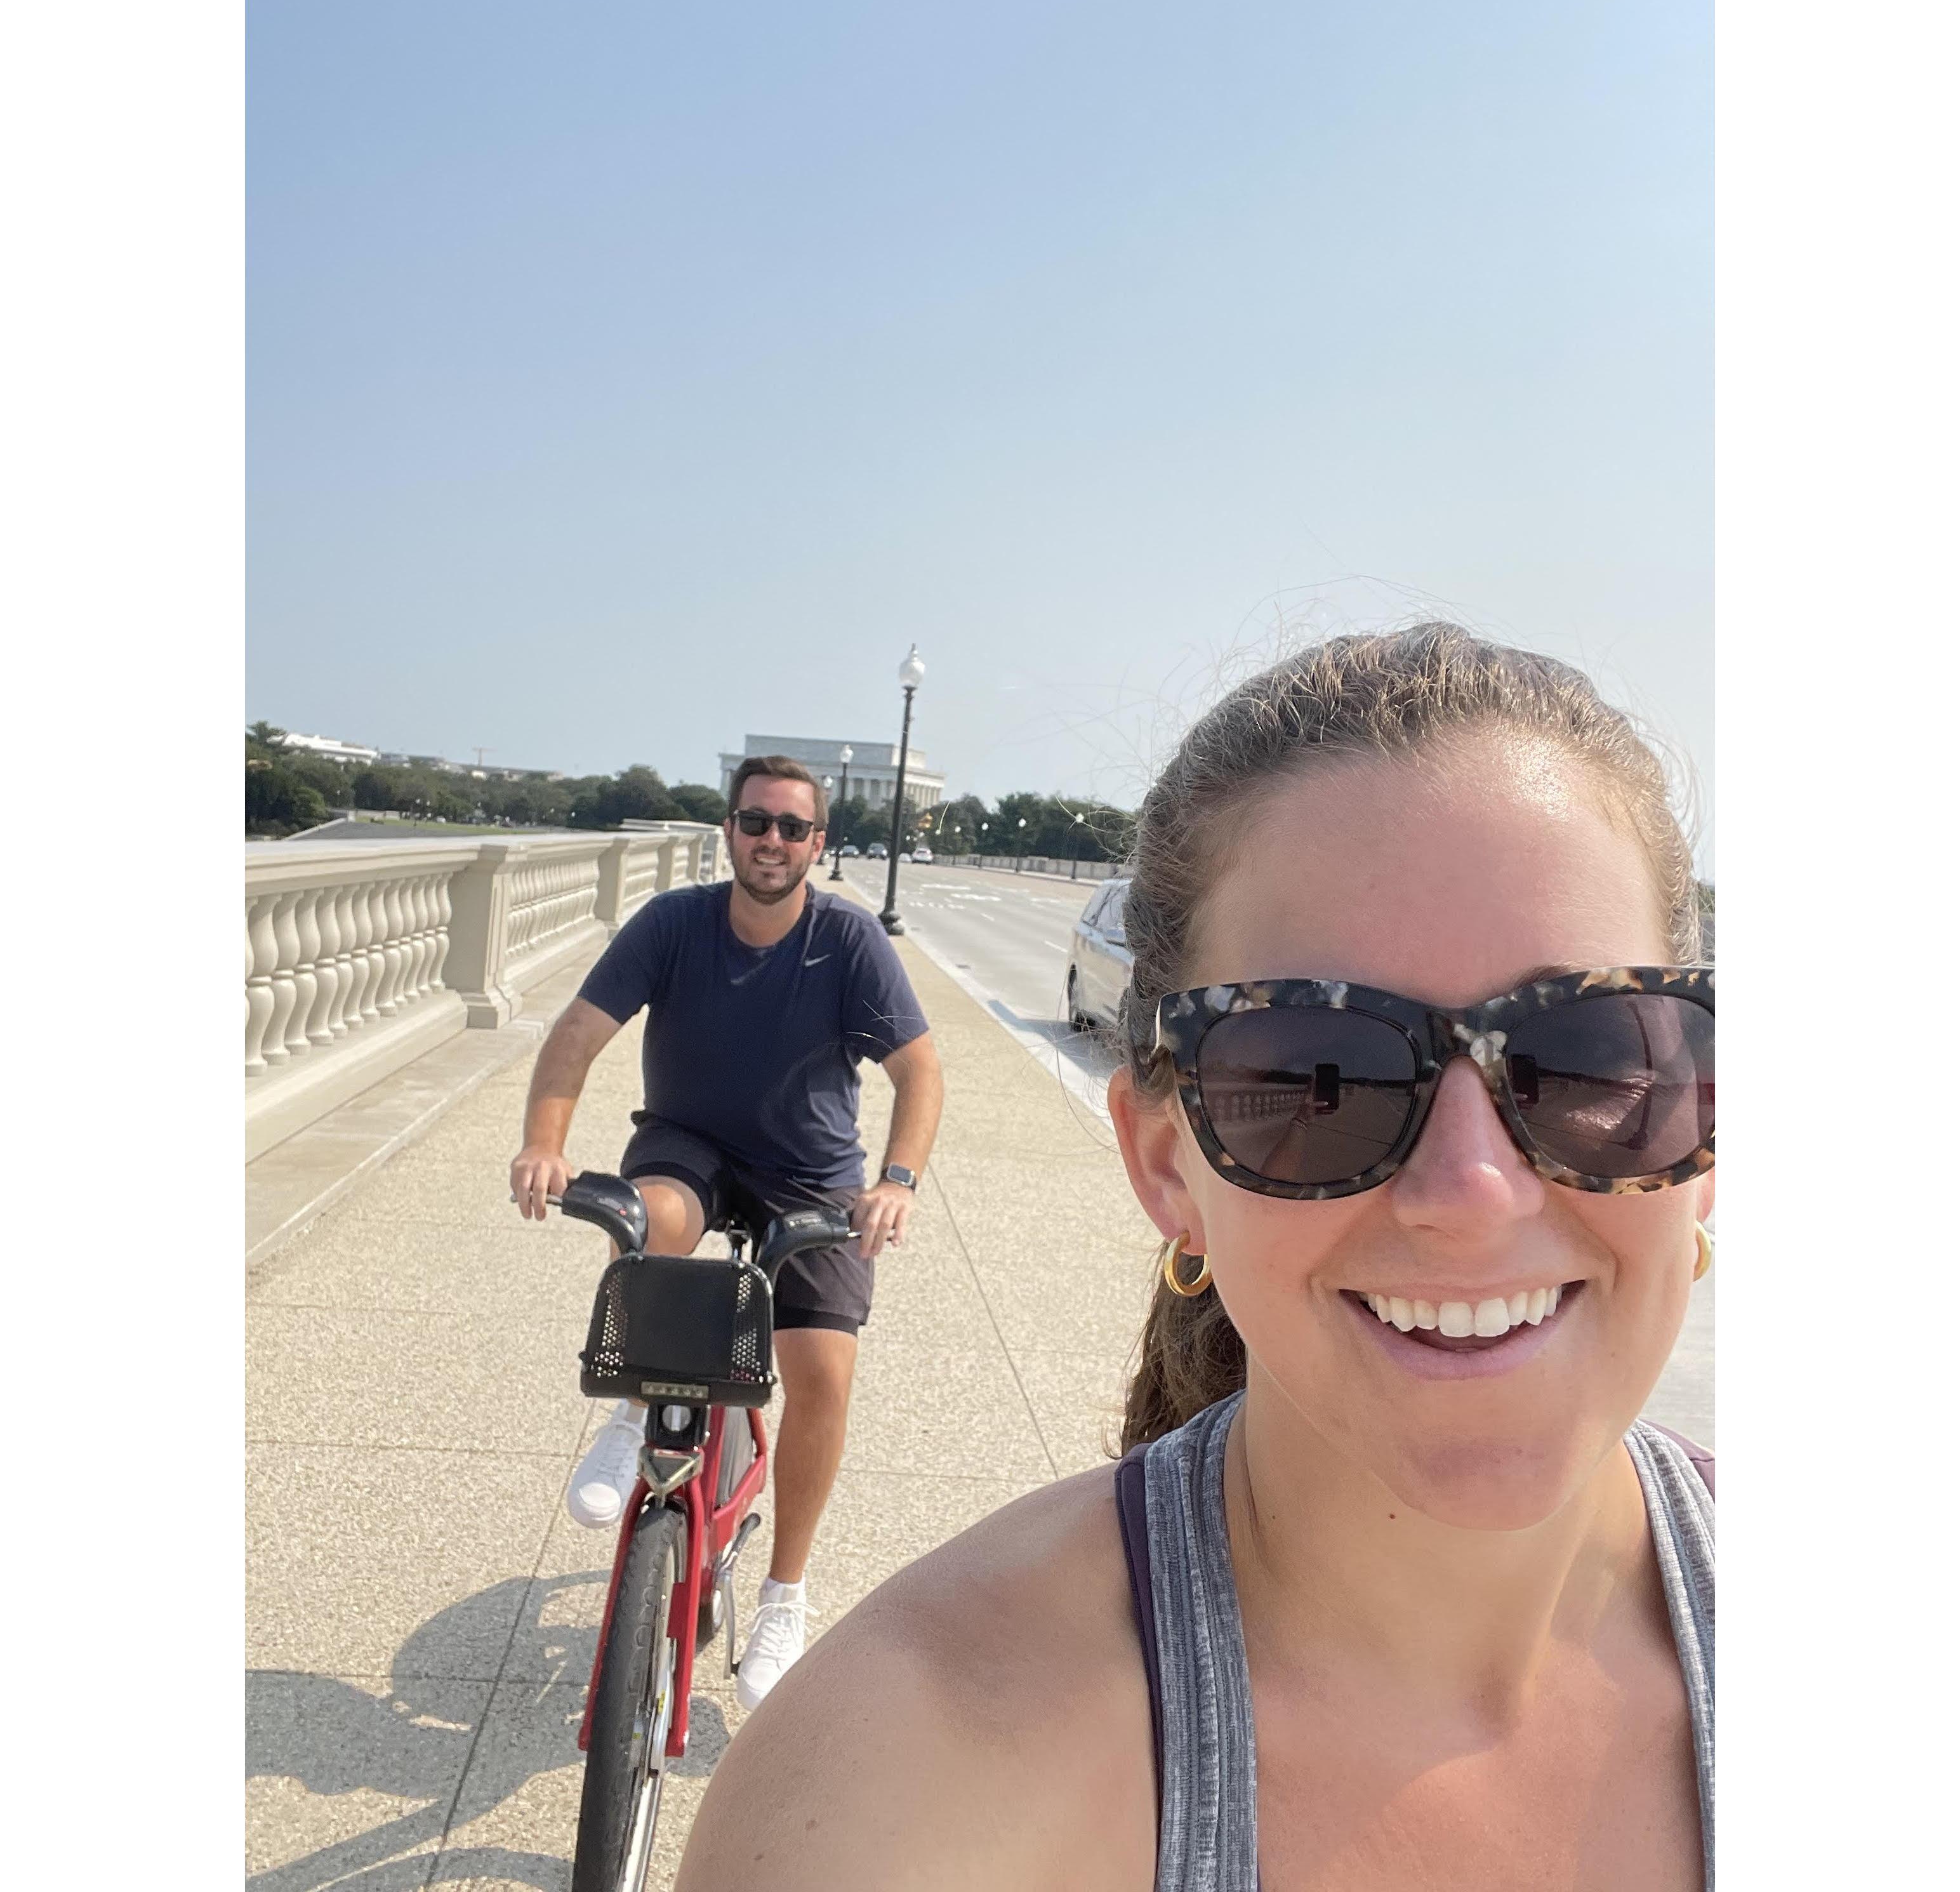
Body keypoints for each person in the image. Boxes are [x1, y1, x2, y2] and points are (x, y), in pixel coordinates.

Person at [675, 625, 1715, 1891]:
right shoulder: (891, 1796)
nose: (1470, 1191)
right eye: (1318, 1074)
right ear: (1167, 1163)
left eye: (1591, 1054)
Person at [510, 753, 944, 1709]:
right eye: (756, 823)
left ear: (817, 843)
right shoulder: (675, 924)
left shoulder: (848, 939)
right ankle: (632, 1418)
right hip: (689, 1144)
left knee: (821, 1372)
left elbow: (919, 1071)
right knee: (651, 1224)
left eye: (792, 827)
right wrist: (544, 1144)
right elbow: (577, 1035)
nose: (771, 842)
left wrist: (897, 1181)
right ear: (730, 832)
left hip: (809, 1170)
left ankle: (784, 1596)